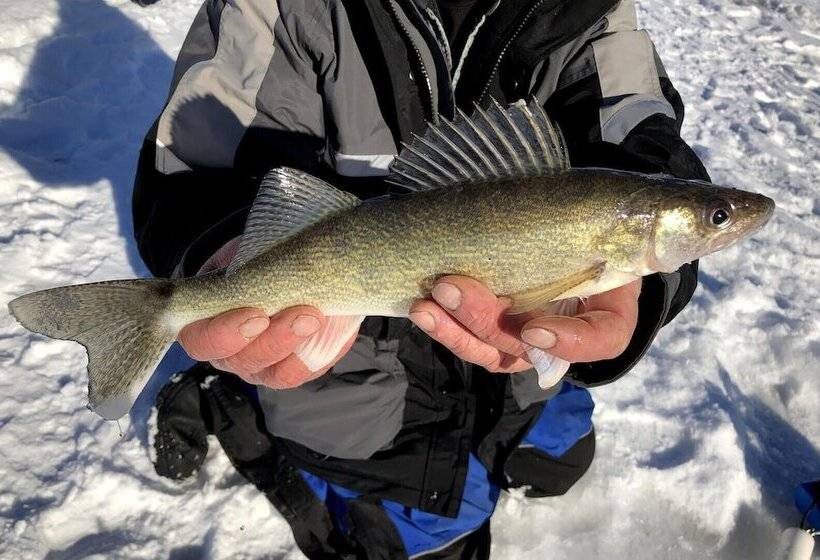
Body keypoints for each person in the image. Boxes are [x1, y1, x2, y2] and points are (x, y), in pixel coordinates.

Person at [134, 0, 709, 557]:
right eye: (715, 219)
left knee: (558, 465)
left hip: (518, 378)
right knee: (421, 538)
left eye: (715, 217)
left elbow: (645, 139)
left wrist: (642, 297)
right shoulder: (279, 9)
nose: (720, 225)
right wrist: (221, 244)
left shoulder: (598, 13)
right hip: (354, 382)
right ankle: (225, 399)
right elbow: (198, 162)